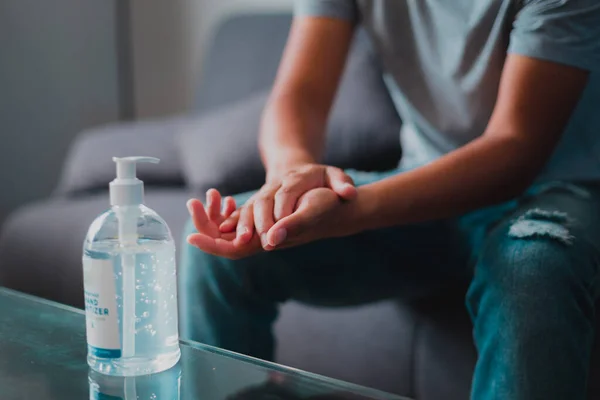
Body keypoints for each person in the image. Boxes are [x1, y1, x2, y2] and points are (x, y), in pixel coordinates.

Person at [179, 1, 600, 399]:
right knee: (220, 248)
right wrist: (289, 181)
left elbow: (516, 146)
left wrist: (351, 211)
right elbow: (301, 92)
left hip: (553, 191)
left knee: (531, 267)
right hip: (418, 185)